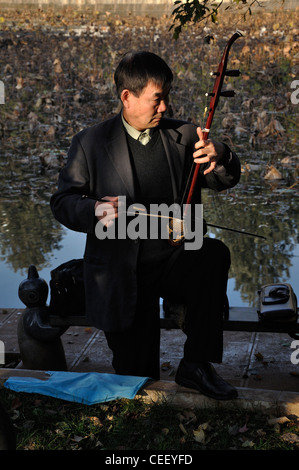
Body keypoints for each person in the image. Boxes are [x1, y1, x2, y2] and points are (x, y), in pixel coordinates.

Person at [50, 51, 241, 400]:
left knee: (212, 253)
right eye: (157, 99)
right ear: (127, 97)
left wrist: (221, 154)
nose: (165, 107)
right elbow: (62, 203)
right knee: (138, 380)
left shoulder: (184, 135)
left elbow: (224, 180)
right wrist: (93, 209)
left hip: (173, 260)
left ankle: (197, 364)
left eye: (166, 97)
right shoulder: (90, 142)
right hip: (121, 271)